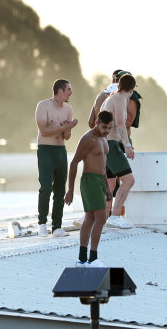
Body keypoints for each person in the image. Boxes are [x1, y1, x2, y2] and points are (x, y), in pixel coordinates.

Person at [65, 111, 114, 267]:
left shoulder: (103, 138)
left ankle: (82, 259)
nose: (107, 131)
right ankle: (92, 258)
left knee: (90, 219)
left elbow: (103, 166)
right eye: (104, 127)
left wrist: (107, 187)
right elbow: (74, 163)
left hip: (100, 180)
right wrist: (70, 190)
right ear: (96, 123)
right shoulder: (88, 139)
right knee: (101, 218)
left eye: (109, 128)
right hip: (89, 180)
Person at [35, 79, 78, 237]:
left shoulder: (68, 109)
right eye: (68, 89)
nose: (71, 93)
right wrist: (63, 127)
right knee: (46, 187)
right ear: (60, 90)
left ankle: (57, 226)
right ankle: (41, 223)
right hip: (45, 150)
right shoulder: (43, 105)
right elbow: (44, 130)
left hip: (61, 150)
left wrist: (68, 128)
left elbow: (66, 136)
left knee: (60, 189)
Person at [100, 74, 136, 229]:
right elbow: (121, 124)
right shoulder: (121, 99)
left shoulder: (109, 99)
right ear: (132, 90)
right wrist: (127, 145)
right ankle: (115, 216)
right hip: (111, 144)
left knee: (111, 182)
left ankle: (102, 216)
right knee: (129, 180)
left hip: (102, 144)